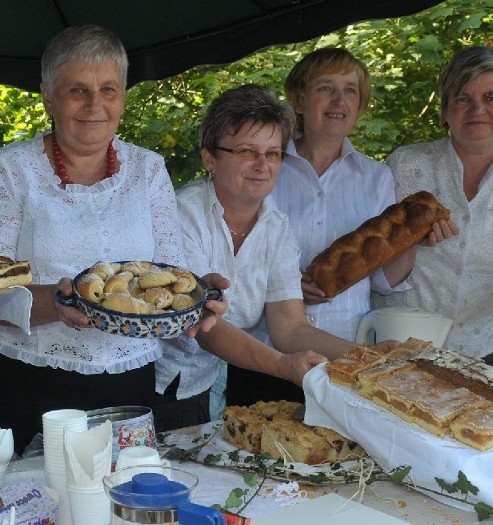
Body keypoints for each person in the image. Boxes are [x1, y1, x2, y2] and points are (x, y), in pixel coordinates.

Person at [0, 25, 324, 454]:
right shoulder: (11, 170)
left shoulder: (149, 170)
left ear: (122, 96)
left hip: (128, 380)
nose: (95, 105)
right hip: (28, 380)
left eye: (109, 90)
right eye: (77, 90)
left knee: (118, 503)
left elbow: (166, 274)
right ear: (48, 96)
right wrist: (60, 304)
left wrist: (197, 295)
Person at [157, 84, 390, 418]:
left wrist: (368, 357)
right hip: (152, 377)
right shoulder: (182, 215)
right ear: (210, 158)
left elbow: (290, 327)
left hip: (205, 383)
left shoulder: (276, 227)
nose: (262, 165)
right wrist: (282, 365)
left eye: (273, 153)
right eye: (246, 152)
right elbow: (204, 327)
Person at [378, 45, 493, 367]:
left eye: (492, 97)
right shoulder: (405, 165)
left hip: (479, 345)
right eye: (462, 98)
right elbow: (373, 254)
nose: (476, 108)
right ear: (446, 109)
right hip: (396, 337)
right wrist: (409, 241)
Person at [269, 47, 452, 343]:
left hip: (346, 348)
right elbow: (238, 256)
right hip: (267, 347)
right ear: (299, 100)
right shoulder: (267, 168)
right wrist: (282, 285)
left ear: (360, 106)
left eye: (350, 91)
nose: (339, 100)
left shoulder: (376, 177)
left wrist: (413, 239)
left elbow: (381, 281)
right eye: (326, 87)